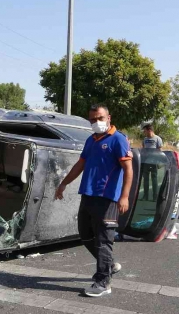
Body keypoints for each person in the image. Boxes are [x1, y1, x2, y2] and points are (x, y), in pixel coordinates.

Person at [55, 104, 133, 297]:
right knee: (85, 234)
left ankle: (103, 282)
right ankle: (109, 265)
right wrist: (63, 184)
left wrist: (124, 196)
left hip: (107, 198)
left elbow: (128, 170)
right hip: (88, 195)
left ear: (108, 117)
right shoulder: (91, 140)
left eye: (100, 118)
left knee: (103, 240)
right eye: (92, 119)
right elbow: (80, 164)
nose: (96, 122)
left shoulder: (118, 139)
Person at [141, 123, 162, 201]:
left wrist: (159, 161)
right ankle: (145, 196)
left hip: (154, 162)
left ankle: (155, 197)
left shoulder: (157, 139)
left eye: (145, 131)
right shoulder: (145, 139)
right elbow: (143, 150)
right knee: (145, 180)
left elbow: (160, 151)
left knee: (154, 180)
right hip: (146, 162)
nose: (144, 133)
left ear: (150, 130)